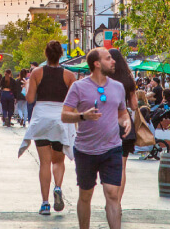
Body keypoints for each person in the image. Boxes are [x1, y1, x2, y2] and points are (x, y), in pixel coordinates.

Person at [61, 48, 131, 229]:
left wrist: (126, 121)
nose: (113, 61)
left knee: (112, 194)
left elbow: (122, 113)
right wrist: (83, 116)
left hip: (112, 148)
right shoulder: (78, 87)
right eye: (108, 58)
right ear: (97, 64)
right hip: (85, 150)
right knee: (85, 195)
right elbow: (64, 115)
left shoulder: (118, 87)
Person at [19, 41, 77, 215]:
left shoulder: (36, 73)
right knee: (58, 161)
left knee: (44, 163)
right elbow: (73, 102)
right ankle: (58, 187)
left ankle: (45, 203)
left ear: (46, 54)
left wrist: (28, 85)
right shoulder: (69, 75)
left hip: (42, 118)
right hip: (60, 118)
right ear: (61, 54)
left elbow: (29, 99)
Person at [107, 49, 138, 205]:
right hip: (125, 124)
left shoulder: (104, 78)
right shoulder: (128, 79)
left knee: (107, 166)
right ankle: (117, 203)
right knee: (122, 166)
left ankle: (110, 200)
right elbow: (134, 106)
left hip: (106, 124)